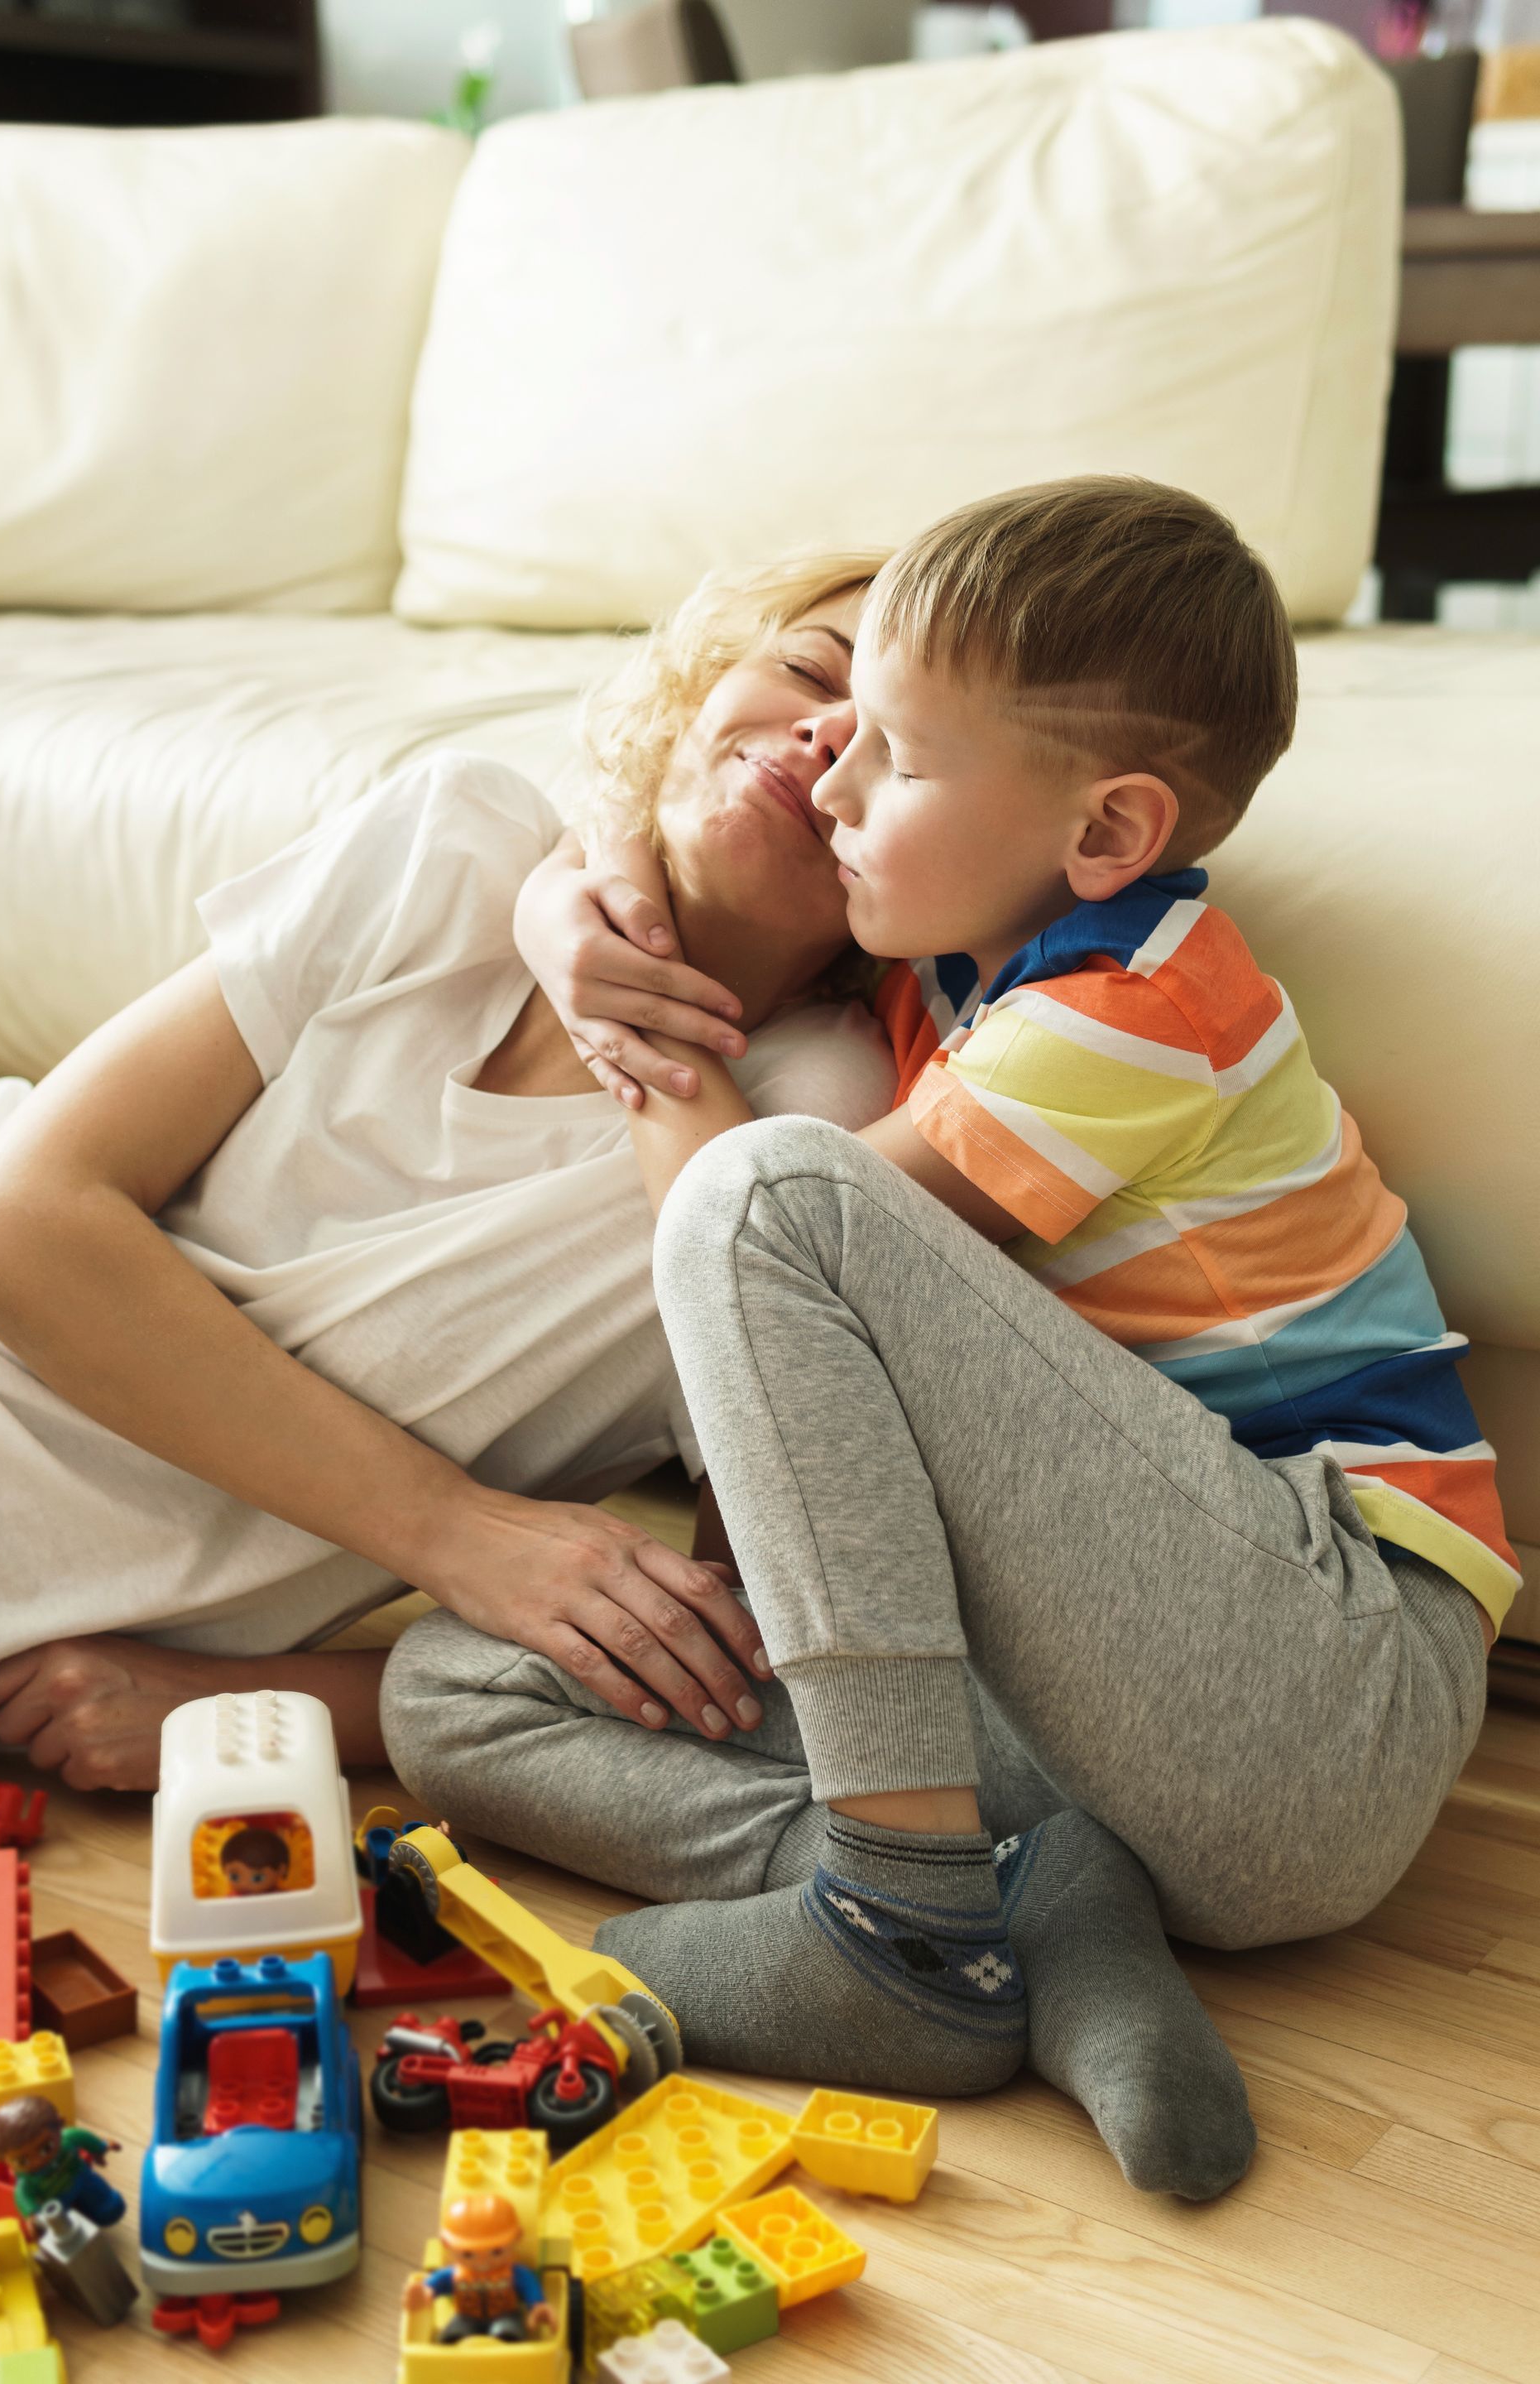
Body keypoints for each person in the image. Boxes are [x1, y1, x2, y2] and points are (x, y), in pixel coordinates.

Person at [384, 477, 1515, 2198]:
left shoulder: (1142, 1011)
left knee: (773, 1197)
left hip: (1323, 1676)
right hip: (1103, 1742)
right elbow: (642, 841)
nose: (829, 779)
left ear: (1107, 835)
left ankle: (895, 1925)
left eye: (891, 758)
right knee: (452, 1686)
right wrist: (583, 900)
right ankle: (1038, 1911)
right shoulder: (962, 968)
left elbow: (746, 1256)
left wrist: (639, 1042)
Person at [0, 553, 901, 1793]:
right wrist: (453, 1531)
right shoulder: (457, 840)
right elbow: (9, 1229)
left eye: (891, 740)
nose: (826, 728)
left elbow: (756, 1652)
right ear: (698, 683)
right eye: (801, 669)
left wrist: (267, 1703)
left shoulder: (805, 1138)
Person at [402, 2194, 555, 2345]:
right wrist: (426, 2291)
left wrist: (537, 2305)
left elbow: (529, 2284)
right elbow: (437, 2283)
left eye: (496, 2252)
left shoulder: (515, 2273)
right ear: (447, 2244)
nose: (483, 2262)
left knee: (509, 2333)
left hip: (505, 2316)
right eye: (468, 2254)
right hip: (466, 2317)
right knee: (452, 2335)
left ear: (516, 2238)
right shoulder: (454, 2274)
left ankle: (506, 2352)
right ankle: (455, 2357)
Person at [0, 2096, 126, 2229]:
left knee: (108, 2206)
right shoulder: (27, 2180)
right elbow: (23, 2196)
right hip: (55, 2200)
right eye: (22, 2161)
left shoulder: (67, 2139)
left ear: (60, 2125)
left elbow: (84, 2138)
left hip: (80, 2176)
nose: (38, 2161)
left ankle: (103, 2206)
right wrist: (32, 2216)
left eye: (46, 2148)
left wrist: (101, 2148)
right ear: (2, 2159)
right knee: (60, 2227)